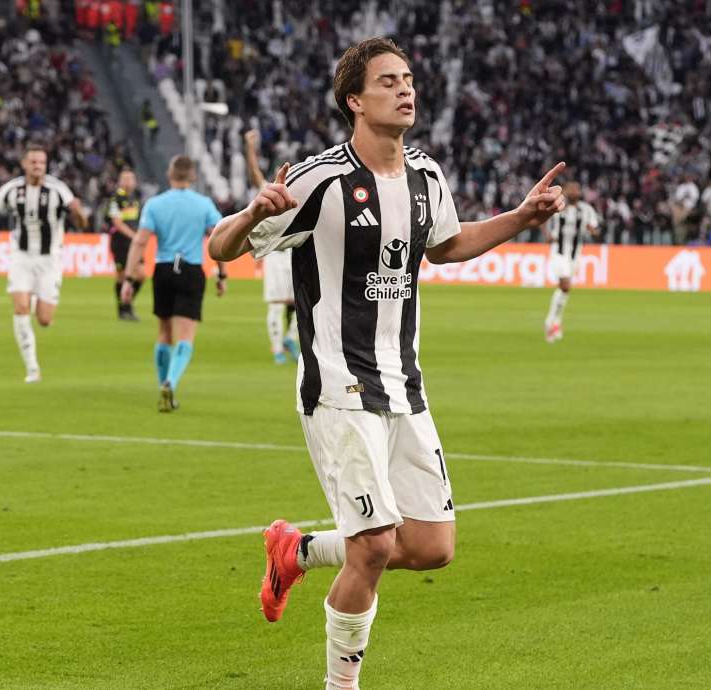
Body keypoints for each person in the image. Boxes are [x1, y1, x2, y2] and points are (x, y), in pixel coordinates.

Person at [207, 37, 565, 690]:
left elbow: (448, 246)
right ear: (354, 100)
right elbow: (221, 247)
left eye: (408, 79)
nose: (406, 90)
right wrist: (254, 215)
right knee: (373, 546)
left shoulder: (427, 175)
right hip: (338, 385)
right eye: (388, 82)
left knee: (431, 547)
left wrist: (521, 216)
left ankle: (298, 550)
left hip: (404, 386)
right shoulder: (321, 180)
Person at [0, 144, 87, 383]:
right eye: (34, 162)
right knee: (20, 308)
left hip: (50, 259)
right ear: (25, 164)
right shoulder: (12, 189)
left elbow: (82, 223)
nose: (38, 166)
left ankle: (38, 295)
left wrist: (79, 212)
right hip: (22, 256)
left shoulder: (58, 189)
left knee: (44, 320)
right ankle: (32, 367)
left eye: (42, 163)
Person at [121, 155, 225, 412]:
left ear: (170, 175)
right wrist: (222, 274)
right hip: (190, 270)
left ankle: (162, 386)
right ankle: (171, 382)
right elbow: (220, 239)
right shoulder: (204, 205)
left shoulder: (155, 204)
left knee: (164, 333)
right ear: (193, 177)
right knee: (185, 336)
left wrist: (129, 278)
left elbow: (140, 241)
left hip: (164, 269)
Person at [243, 129, 300, 364]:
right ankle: (277, 348)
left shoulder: (300, 195)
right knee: (277, 305)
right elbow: (253, 172)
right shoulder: (268, 190)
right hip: (275, 255)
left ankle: (290, 338)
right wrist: (249, 147)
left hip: (294, 255)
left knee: (299, 304)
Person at [543, 181, 599, 343]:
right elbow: (542, 219)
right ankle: (550, 322)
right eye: (572, 189)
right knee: (565, 285)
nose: (575, 191)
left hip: (575, 255)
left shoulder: (587, 210)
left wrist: (593, 231)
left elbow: (595, 229)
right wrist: (547, 235)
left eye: (577, 189)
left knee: (565, 290)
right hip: (559, 252)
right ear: (566, 191)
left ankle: (555, 322)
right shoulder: (557, 206)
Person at [107, 168, 143, 321]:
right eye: (125, 179)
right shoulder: (115, 199)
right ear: (120, 182)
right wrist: (134, 236)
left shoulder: (135, 198)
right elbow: (117, 222)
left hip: (134, 243)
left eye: (131, 179)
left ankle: (127, 303)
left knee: (141, 275)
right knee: (122, 277)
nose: (129, 182)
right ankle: (123, 308)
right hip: (120, 242)